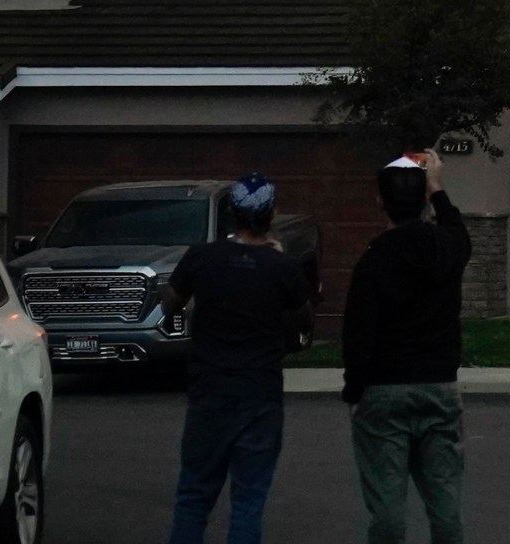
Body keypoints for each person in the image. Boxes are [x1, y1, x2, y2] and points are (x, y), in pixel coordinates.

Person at [162, 174, 314, 544]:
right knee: (248, 500)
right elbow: (305, 321)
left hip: (209, 390)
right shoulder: (283, 267)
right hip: (260, 392)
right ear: (271, 214)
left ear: (231, 213)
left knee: (194, 495)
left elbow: (169, 305)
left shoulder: (202, 257)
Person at [342, 150, 473, 544]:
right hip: (439, 385)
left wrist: (355, 389)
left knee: (386, 504)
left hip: (383, 389)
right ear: (422, 202)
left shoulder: (374, 259)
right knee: (446, 502)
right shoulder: (446, 249)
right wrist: (437, 188)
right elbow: (457, 229)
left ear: (381, 202)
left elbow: (358, 333)